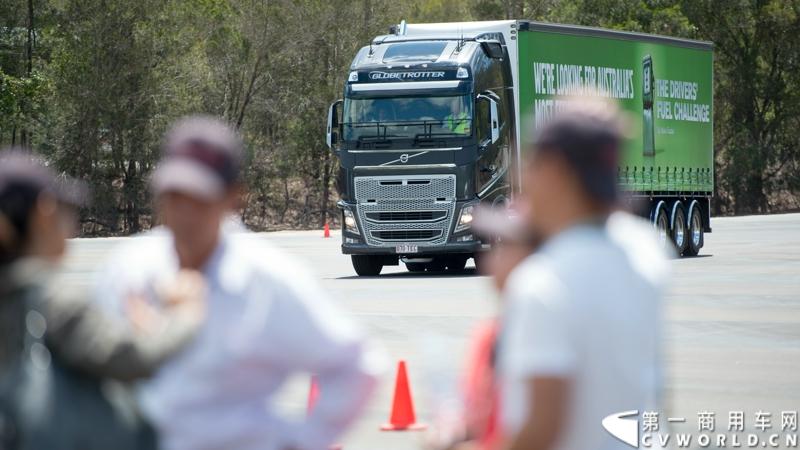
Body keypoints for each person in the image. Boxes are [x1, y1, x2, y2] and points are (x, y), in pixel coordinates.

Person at [95, 115, 383, 450]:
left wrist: (302, 440)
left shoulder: (266, 278)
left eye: (199, 198)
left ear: (233, 198)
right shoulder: (129, 269)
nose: (184, 212)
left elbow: (356, 365)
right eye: (173, 196)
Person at [0, 150, 206, 450]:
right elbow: (130, 358)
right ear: (43, 214)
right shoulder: (54, 298)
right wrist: (184, 315)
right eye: (66, 209)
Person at [498, 100, 670, 450]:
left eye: (532, 163)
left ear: (556, 172)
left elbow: (541, 430)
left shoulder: (544, 286)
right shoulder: (649, 251)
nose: (524, 177)